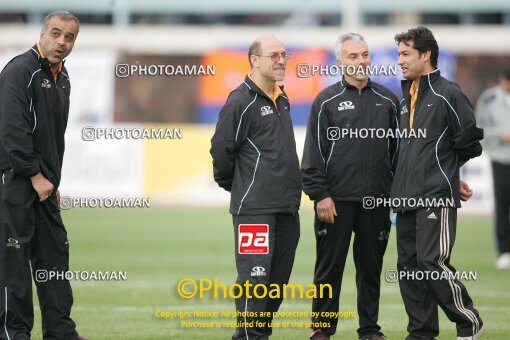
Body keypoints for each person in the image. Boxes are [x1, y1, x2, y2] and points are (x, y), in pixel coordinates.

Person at [301, 33, 399, 340]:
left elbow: (398, 154)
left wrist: (394, 196)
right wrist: (320, 195)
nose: (361, 61)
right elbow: (313, 153)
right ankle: (321, 328)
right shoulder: (325, 101)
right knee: (328, 270)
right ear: (340, 62)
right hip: (335, 202)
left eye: (365, 55)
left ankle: (369, 329)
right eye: (353, 56)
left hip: (377, 203)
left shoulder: (388, 101)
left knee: (370, 270)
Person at [391, 26, 484, 340]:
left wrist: (449, 173)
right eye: (399, 53)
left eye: (406, 54)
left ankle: (469, 322)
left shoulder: (449, 92)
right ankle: (421, 331)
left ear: (425, 55)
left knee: (431, 262)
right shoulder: (406, 96)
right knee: (408, 267)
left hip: (434, 195)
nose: (400, 60)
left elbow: (470, 141)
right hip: (404, 196)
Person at [0, 10, 86, 340]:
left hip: (45, 186)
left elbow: (51, 136)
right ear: (42, 33)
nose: (61, 42)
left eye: (69, 37)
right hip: (17, 182)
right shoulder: (20, 71)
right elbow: (11, 131)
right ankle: (14, 333)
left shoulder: (61, 77)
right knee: (14, 261)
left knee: (54, 258)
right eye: (56, 33)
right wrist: (35, 175)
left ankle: (61, 332)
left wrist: (51, 181)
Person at [210, 34, 301, 340]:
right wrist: (237, 185)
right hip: (255, 210)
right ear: (255, 60)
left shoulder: (283, 97)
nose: (281, 60)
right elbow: (221, 151)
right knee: (255, 278)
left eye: (285, 55)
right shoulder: (240, 101)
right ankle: (248, 336)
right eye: (274, 55)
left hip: (287, 208)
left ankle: (258, 333)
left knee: (277, 281)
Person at [475, 68, 510, 270]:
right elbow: (480, 127)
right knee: (503, 204)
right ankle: (504, 250)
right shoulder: (489, 99)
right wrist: (501, 136)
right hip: (501, 158)